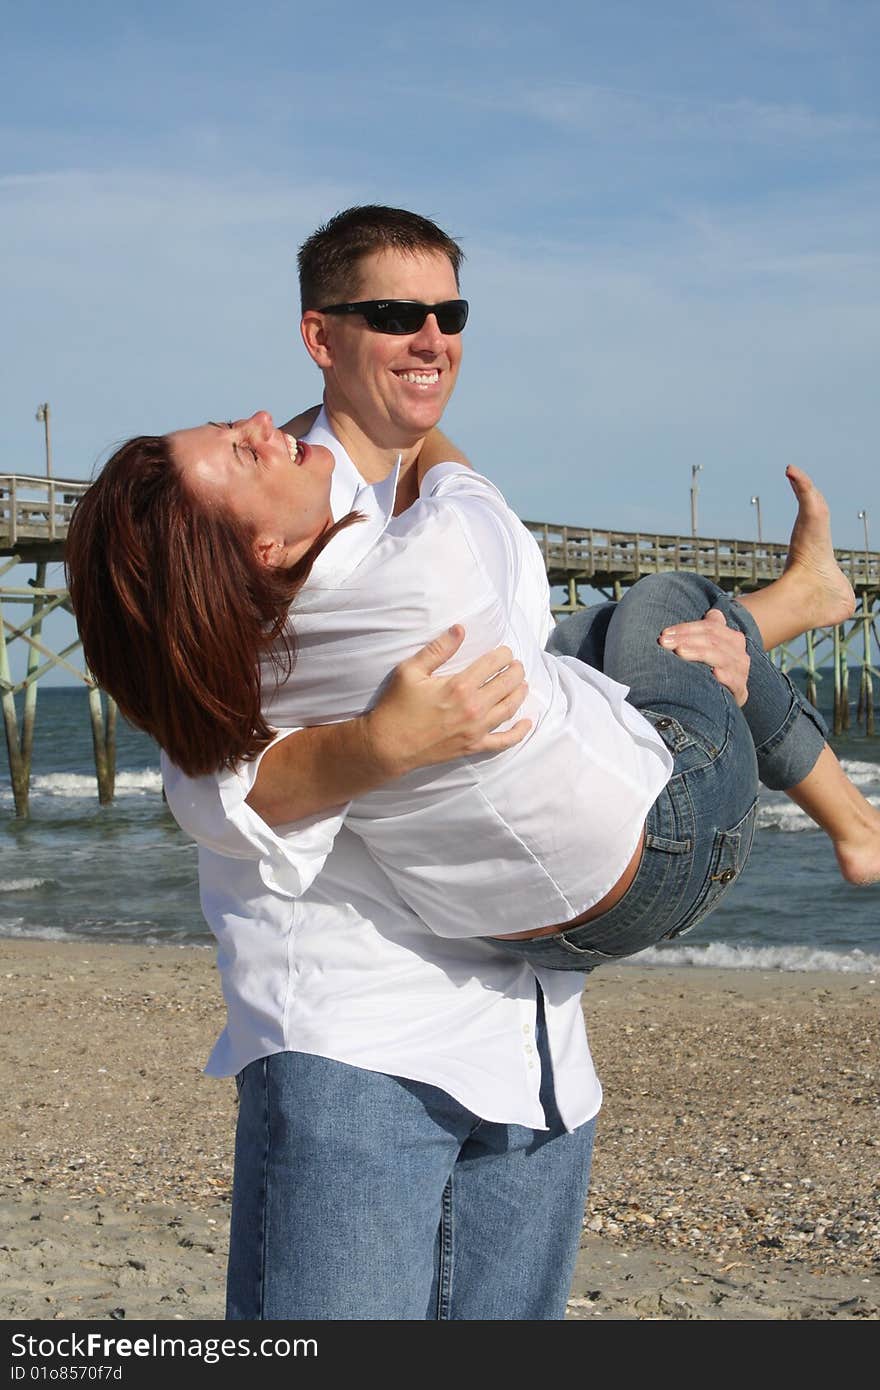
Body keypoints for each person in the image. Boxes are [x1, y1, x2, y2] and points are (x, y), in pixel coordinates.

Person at [60, 207, 822, 1321]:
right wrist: (370, 748)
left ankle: (780, 622)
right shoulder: (294, 577)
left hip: (535, 1041)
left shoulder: (345, 528)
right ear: (321, 334)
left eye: (448, 316)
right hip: (360, 1046)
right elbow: (211, 785)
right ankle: (790, 624)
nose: (432, 337)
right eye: (396, 317)